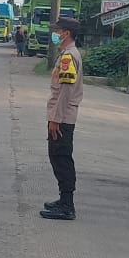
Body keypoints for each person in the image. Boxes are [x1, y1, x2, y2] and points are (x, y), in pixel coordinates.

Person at [41, 17, 84, 220]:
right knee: (58, 156)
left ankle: (67, 206)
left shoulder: (68, 56)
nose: (54, 34)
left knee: (61, 158)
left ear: (66, 33)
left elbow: (66, 91)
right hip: (63, 115)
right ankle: (64, 199)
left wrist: (56, 119)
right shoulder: (68, 54)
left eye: (57, 31)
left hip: (63, 117)